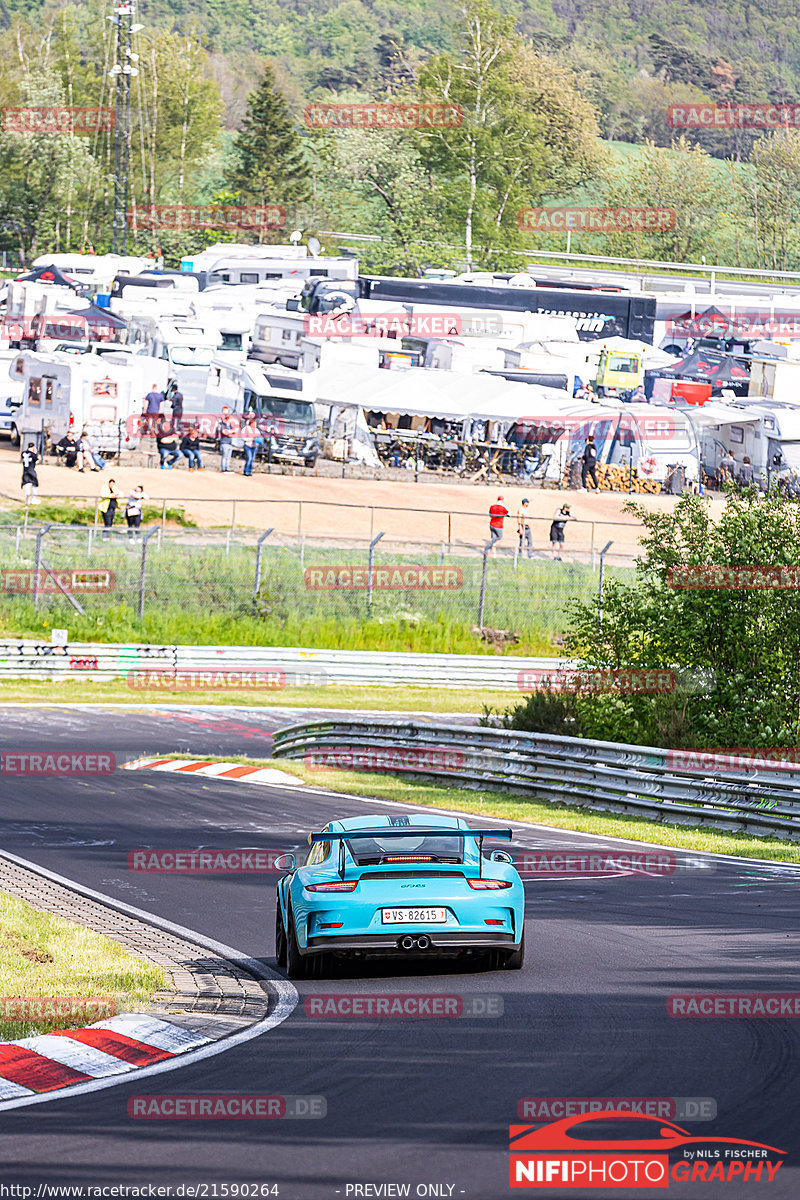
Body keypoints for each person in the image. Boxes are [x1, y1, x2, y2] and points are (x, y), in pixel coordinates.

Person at [217, 407, 236, 473]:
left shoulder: (230, 426)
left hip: (230, 443)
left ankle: (227, 468)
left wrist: (230, 432)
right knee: (224, 456)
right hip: (224, 442)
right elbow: (224, 432)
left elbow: (235, 431)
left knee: (228, 457)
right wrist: (231, 432)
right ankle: (223, 468)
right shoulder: (223, 425)